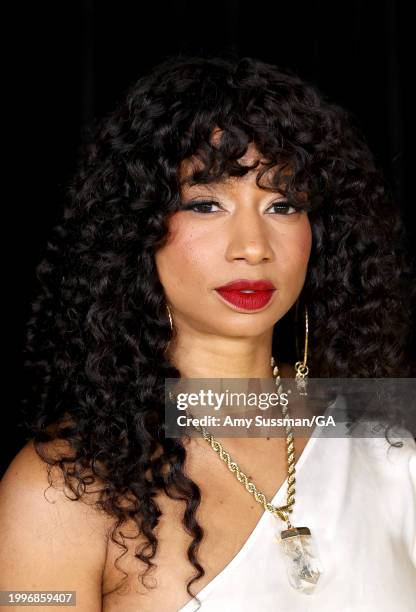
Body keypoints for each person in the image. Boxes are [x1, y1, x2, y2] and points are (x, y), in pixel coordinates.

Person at [0, 54, 415, 612]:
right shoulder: (62, 489)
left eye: (283, 204)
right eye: (205, 204)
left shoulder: (386, 435)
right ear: (136, 229)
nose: (252, 245)